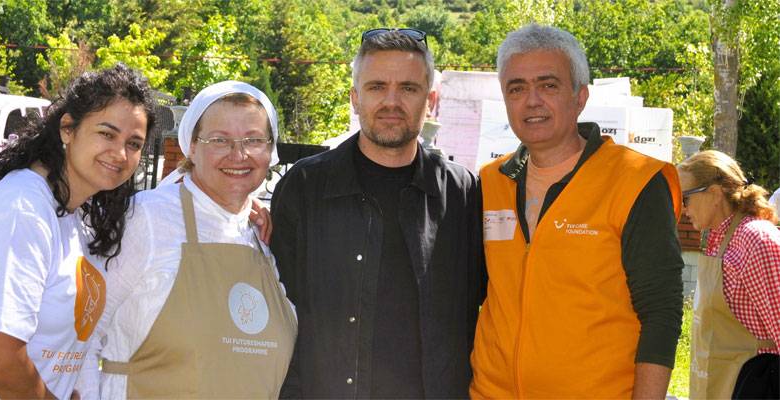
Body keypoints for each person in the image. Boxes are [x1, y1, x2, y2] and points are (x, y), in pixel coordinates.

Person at [0, 64, 158, 399]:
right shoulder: (22, 209)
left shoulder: (76, 213)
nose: (120, 153)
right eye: (106, 133)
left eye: (134, 143)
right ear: (67, 129)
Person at [470, 24, 684, 398]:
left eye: (548, 85)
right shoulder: (488, 183)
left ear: (580, 97)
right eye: (516, 88)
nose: (532, 100)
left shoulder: (635, 181)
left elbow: (661, 314)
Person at [270, 28, 485, 398]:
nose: (391, 101)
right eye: (376, 87)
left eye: (408, 88)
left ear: (430, 100)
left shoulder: (462, 193)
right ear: (355, 98)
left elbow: (480, 308)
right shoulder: (304, 187)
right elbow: (278, 310)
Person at [84, 81, 296, 399]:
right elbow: (81, 336)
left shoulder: (260, 236)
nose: (239, 154)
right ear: (192, 147)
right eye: (219, 140)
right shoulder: (146, 219)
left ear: (271, 149)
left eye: (253, 139)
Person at [678, 150, 779, 399]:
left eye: (685, 198)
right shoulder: (716, 239)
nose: (682, 209)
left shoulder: (756, 239)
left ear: (714, 193)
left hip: (756, 387)